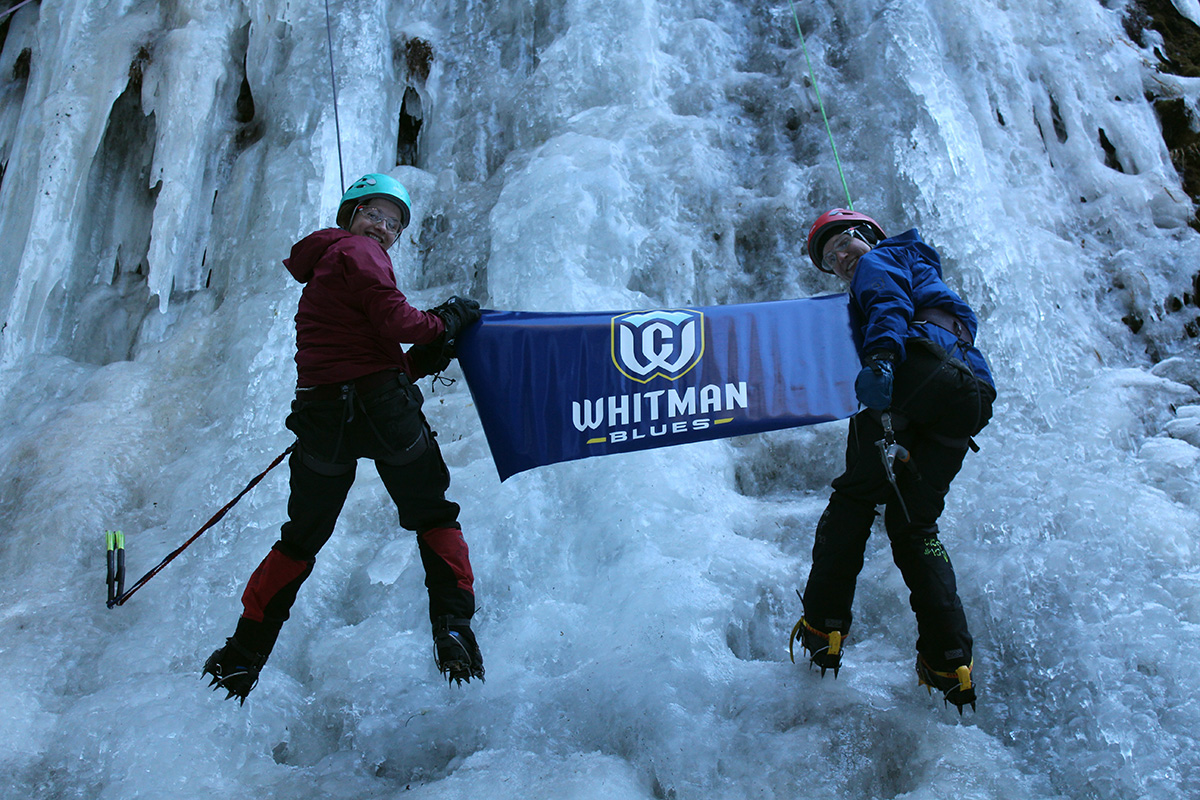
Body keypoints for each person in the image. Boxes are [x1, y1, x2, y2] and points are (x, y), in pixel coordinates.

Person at [203, 173, 484, 704]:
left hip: (322, 417)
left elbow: (362, 355)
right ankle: (454, 632)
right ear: (350, 215)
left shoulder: (326, 268)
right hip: (383, 411)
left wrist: (419, 361)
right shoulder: (358, 251)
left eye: (395, 223)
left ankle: (242, 658)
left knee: (301, 537)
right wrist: (445, 322)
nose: (385, 227)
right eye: (375, 214)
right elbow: (401, 321)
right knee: (433, 515)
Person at [789, 208, 996, 712]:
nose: (841, 258)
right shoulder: (923, 269)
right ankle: (950, 660)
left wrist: (881, 358)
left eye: (844, 243)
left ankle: (824, 626)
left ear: (869, 236)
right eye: (831, 258)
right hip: (970, 396)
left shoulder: (879, 262)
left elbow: (888, 304)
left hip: (911, 373)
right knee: (914, 525)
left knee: (853, 501)